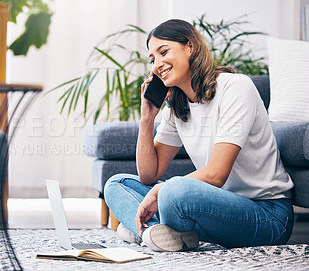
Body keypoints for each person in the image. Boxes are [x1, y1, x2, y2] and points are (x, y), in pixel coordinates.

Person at [104, 19, 294, 252]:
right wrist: (147, 119)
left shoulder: (235, 87)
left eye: (164, 52)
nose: (157, 65)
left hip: (268, 216)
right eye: (152, 59)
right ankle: (158, 233)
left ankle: (146, 231)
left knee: (174, 191)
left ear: (190, 47)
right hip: (213, 206)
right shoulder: (177, 106)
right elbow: (148, 174)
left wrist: (161, 190)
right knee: (117, 184)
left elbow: (216, 175)